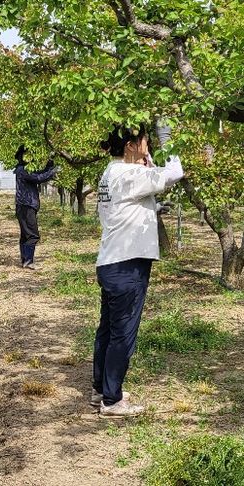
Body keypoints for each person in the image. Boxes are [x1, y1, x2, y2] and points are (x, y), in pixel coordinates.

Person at [92, 123, 183, 417]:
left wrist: (151, 204)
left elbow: (124, 207)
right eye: (144, 140)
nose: (148, 144)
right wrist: (166, 138)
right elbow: (174, 172)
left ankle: (101, 389)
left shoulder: (111, 173)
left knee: (108, 330)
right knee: (123, 334)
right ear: (130, 145)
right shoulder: (131, 175)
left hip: (111, 261)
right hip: (127, 265)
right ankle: (112, 400)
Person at [13, 144, 58, 269]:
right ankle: (28, 261)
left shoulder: (24, 169)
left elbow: (40, 173)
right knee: (32, 235)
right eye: (28, 154)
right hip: (26, 205)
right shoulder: (23, 170)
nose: (31, 157)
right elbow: (38, 178)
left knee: (25, 234)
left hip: (24, 205)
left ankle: (25, 260)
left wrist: (50, 162)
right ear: (23, 156)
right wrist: (53, 172)